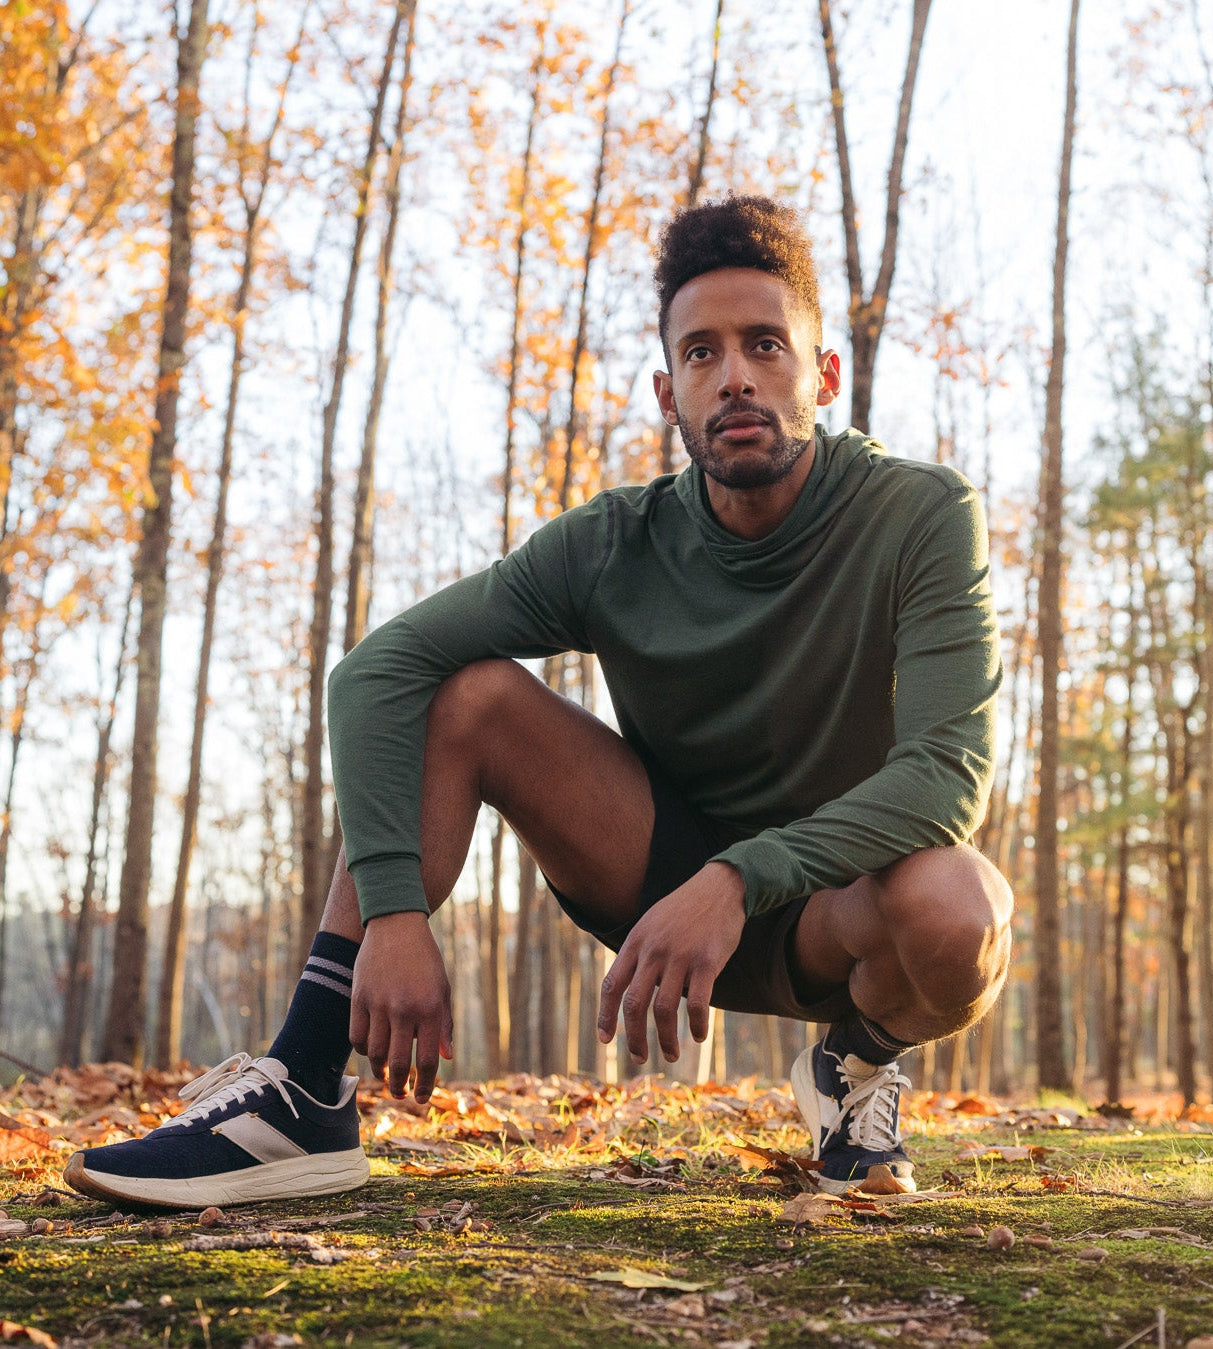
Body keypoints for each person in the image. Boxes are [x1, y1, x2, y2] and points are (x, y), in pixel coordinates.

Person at [64, 194, 1013, 1210]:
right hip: (653, 887)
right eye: (701, 353)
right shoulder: (616, 543)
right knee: (468, 694)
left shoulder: (919, 514)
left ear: (822, 373)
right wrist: (391, 914)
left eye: (765, 344)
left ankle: (853, 1069)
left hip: (833, 911)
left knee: (960, 907)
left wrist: (739, 878)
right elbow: (374, 672)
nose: (735, 374)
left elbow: (947, 777)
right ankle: (304, 1086)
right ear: (668, 392)